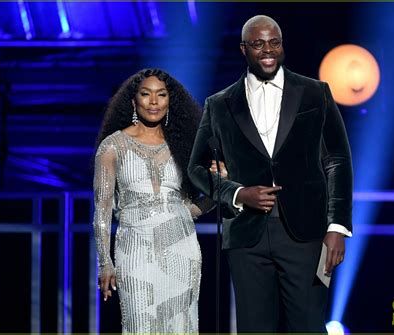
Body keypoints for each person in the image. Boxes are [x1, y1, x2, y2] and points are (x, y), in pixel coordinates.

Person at [188, 15, 353, 333]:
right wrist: (238, 193)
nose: (268, 50)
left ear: (282, 45)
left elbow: (338, 160)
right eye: (258, 43)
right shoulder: (220, 104)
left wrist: (337, 227)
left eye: (274, 42)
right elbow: (196, 167)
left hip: (308, 234)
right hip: (246, 236)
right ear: (243, 49)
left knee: (307, 326)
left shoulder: (315, 93)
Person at [92, 68, 224, 333]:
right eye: (146, 94)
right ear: (134, 101)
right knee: (139, 324)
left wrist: (217, 189)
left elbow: (191, 209)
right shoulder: (112, 147)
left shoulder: (185, 146)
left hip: (181, 247)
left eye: (161, 95)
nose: (154, 102)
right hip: (135, 249)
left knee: (179, 326)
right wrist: (105, 262)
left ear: (169, 101)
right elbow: (102, 209)